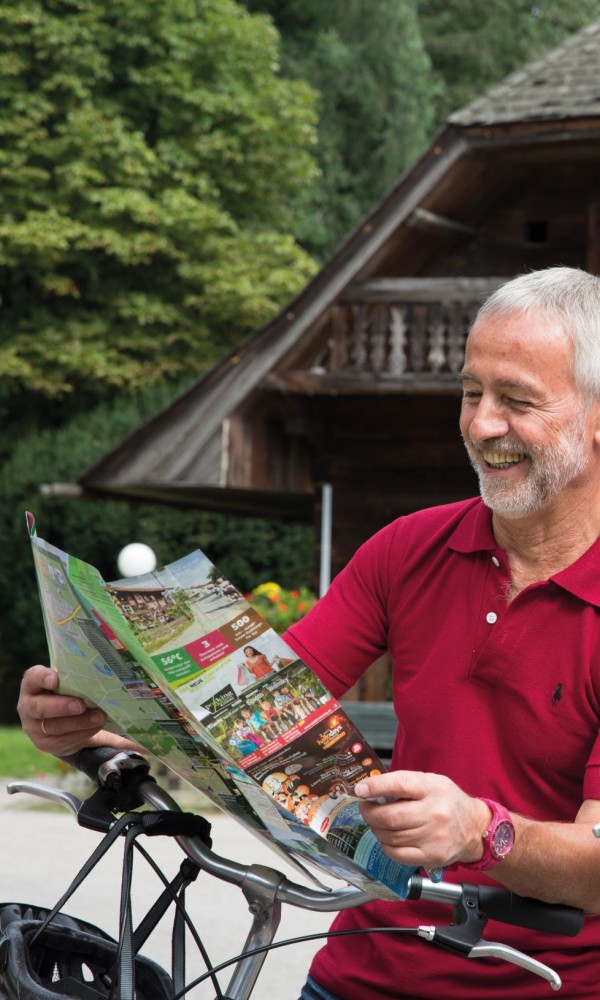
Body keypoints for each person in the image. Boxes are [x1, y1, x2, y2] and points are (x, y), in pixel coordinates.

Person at [15, 266, 600, 998]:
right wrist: (93, 718)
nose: (481, 425)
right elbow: (247, 710)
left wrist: (486, 831)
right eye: (470, 392)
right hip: (356, 974)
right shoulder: (407, 548)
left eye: (516, 400)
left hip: (543, 985)